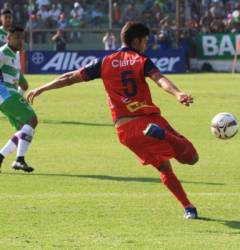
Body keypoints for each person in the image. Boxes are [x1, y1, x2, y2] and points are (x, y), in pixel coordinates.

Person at [27, 22, 199, 219]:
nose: (145, 45)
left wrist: (42, 88)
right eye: (145, 41)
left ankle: (188, 207)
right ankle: (165, 135)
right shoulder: (140, 59)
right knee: (191, 158)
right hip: (147, 120)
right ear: (136, 41)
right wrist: (177, 93)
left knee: (163, 167)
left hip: (125, 131)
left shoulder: (104, 62)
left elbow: (69, 77)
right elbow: (159, 78)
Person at [0, 26, 38, 173]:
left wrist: (21, 92)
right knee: (32, 120)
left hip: (10, 94)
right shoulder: (3, 53)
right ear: (8, 39)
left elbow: (23, 83)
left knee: (23, 129)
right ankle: (18, 159)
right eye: (17, 38)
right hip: (5, 92)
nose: (20, 41)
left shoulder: (15, 55)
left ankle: (7, 158)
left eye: (22, 38)